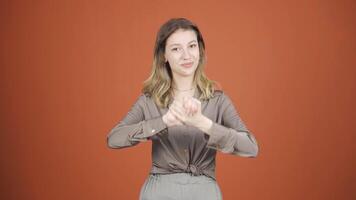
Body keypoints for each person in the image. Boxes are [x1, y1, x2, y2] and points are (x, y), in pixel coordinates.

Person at [107, 18, 259, 200]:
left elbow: (251, 148)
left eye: (192, 46)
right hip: (159, 193)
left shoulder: (218, 100)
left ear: (200, 51)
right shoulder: (149, 100)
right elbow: (114, 139)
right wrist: (162, 122)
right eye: (176, 48)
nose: (186, 56)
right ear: (164, 55)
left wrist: (204, 123)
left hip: (205, 193)